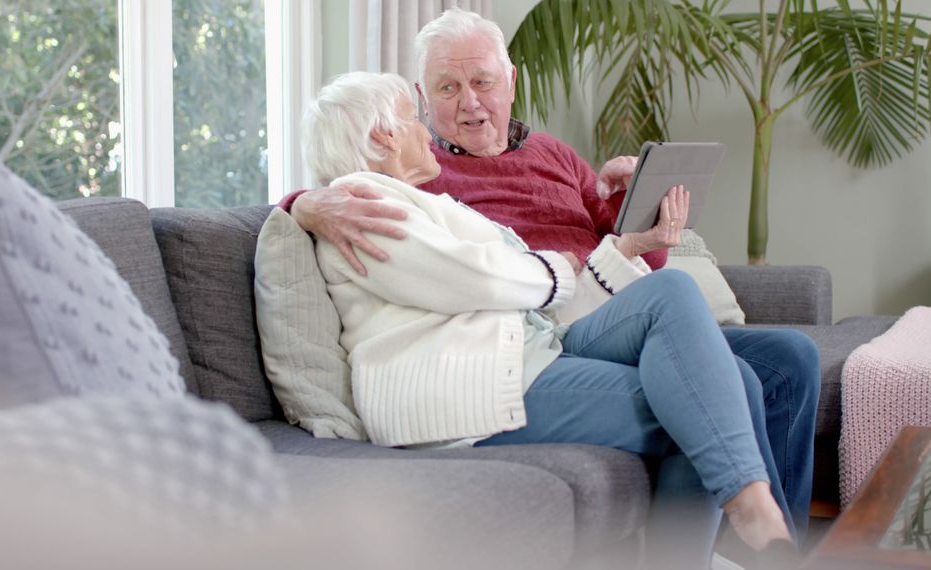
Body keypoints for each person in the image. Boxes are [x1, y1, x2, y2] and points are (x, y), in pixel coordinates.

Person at [285, 7, 820, 554]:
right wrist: (304, 202)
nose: (468, 102)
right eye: (445, 89)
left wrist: (629, 217)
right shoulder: (393, 193)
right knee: (719, 386)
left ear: (510, 82)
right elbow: (457, 269)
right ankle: (760, 539)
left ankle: (762, 543)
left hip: (573, 318)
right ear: (410, 110)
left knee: (780, 357)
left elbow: (596, 265)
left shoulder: (549, 156)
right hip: (522, 343)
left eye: (483, 82)